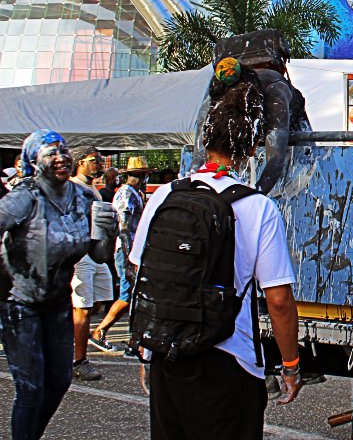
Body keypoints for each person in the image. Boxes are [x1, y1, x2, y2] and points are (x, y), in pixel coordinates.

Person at [131, 71, 303, 438]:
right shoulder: (257, 207)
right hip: (229, 361)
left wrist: (147, 350)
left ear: (205, 138)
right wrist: (290, 364)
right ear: (254, 146)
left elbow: (140, 272)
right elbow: (279, 300)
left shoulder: (164, 195)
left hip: (167, 353)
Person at [0, 130, 118, 440]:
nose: (61, 157)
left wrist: (109, 233)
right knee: (30, 386)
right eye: (51, 153)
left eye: (63, 151)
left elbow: (99, 254)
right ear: (32, 161)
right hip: (19, 302)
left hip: (57, 303)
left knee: (60, 379)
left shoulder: (83, 197)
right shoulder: (25, 197)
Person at [192, 29, 311, 195]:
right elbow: (198, 155)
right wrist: (251, 197)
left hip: (290, 134)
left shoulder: (274, 90)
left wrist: (251, 196)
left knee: (303, 161)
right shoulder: (218, 90)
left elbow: (277, 158)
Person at [91, 157, 150, 354]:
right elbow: (123, 227)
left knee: (133, 296)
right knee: (128, 295)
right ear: (141, 175)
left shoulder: (135, 193)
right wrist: (128, 257)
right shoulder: (126, 193)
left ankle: (132, 339)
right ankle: (100, 331)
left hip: (133, 251)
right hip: (126, 251)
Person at [68, 146, 114, 378]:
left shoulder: (92, 189)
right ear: (80, 162)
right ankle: (79, 361)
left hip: (97, 254)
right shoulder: (72, 188)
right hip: (81, 255)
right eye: (94, 160)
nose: (98, 164)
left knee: (96, 304)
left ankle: (70, 344)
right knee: (83, 308)